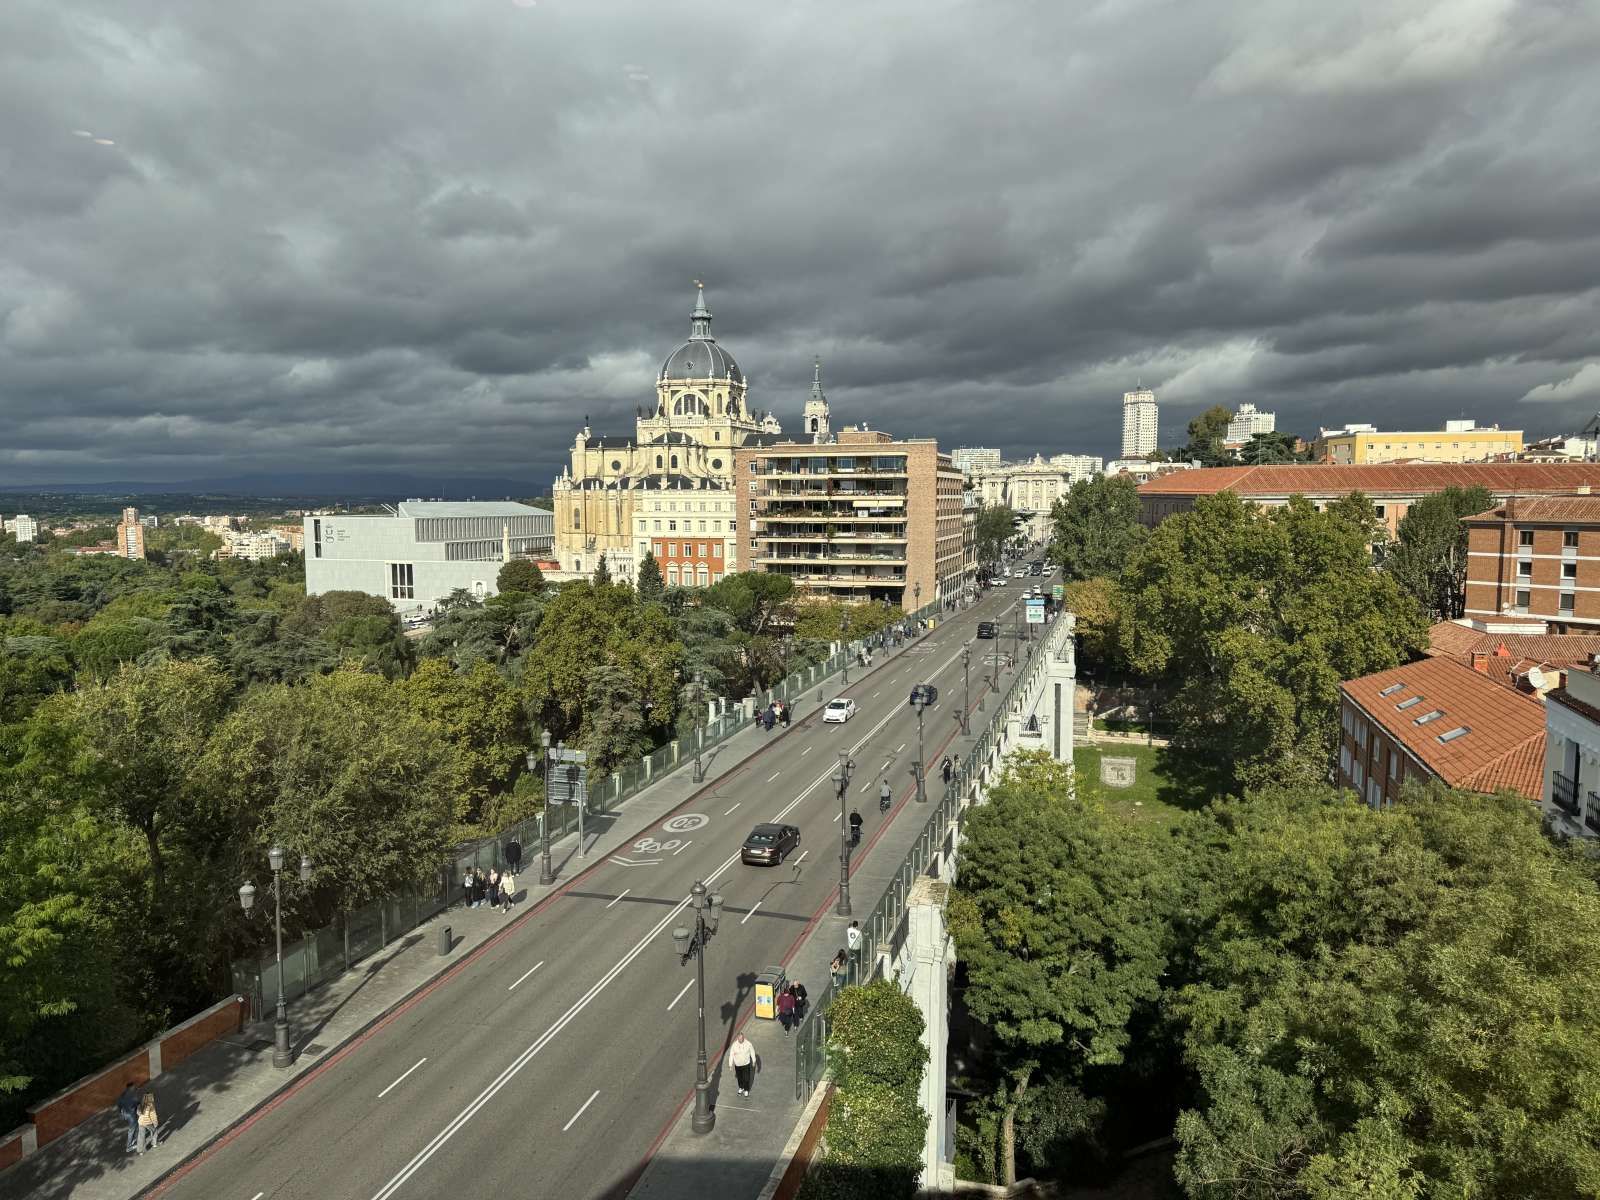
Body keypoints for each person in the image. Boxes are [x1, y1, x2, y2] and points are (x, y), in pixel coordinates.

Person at [729, 1031, 757, 1097]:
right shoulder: (734, 1045)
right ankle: (741, 1087)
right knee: (739, 1078)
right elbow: (731, 1055)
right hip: (738, 1065)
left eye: (742, 1038)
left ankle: (746, 1090)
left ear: (743, 1037)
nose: (741, 1040)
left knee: (746, 1078)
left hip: (746, 1064)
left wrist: (754, 1061)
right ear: (737, 1038)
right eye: (739, 1039)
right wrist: (730, 1065)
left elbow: (752, 1052)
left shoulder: (748, 1044)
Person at [116, 1081, 141, 1153]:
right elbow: (137, 1103)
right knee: (132, 1129)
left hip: (126, 1114)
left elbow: (119, 1104)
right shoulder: (132, 1095)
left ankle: (135, 1138)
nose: (134, 1087)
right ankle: (129, 1146)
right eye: (133, 1087)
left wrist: (120, 1113)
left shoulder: (123, 1094)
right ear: (131, 1087)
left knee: (136, 1126)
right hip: (131, 1115)